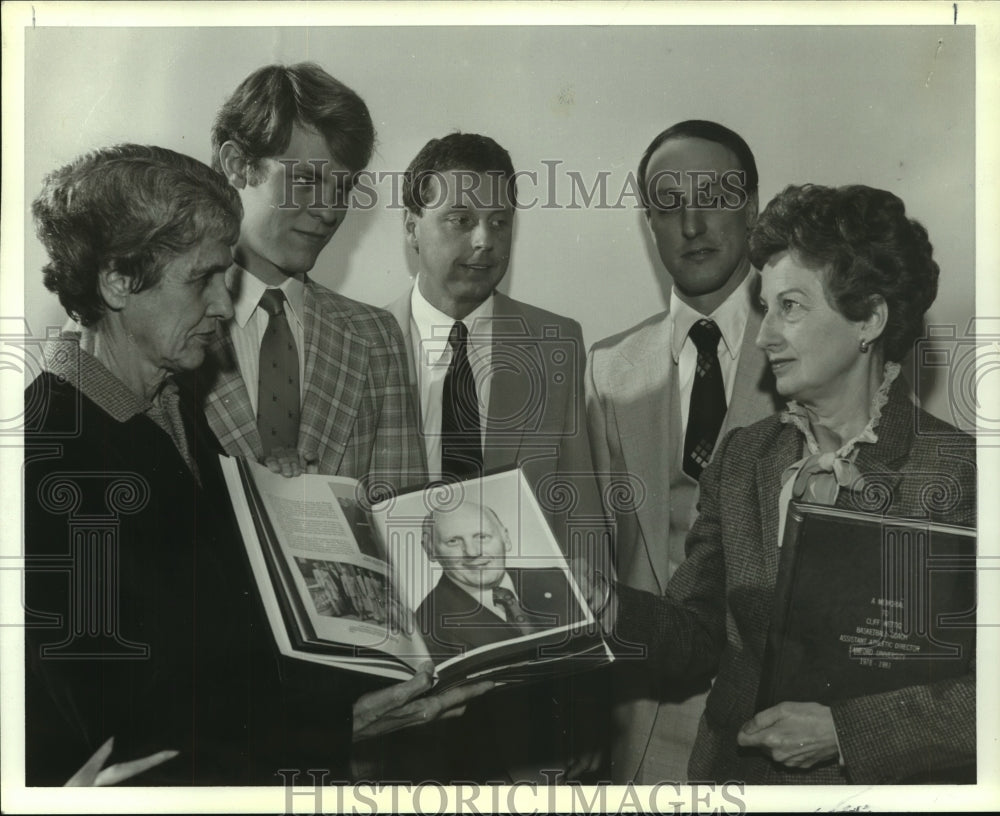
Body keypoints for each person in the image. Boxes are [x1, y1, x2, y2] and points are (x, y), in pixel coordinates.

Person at [23, 144, 491, 786]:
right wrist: (335, 727)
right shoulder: (47, 457)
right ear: (117, 281)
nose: (223, 305)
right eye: (203, 278)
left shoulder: (166, 409)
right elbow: (126, 733)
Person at [610, 183, 976, 784]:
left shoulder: (964, 475)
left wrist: (846, 733)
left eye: (791, 308)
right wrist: (604, 605)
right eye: (765, 307)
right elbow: (698, 635)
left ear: (869, 319)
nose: (763, 337)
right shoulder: (746, 457)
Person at [382, 132, 609, 782]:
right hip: (403, 684)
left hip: (527, 691)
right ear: (412, 227)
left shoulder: (554, 343)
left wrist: (584, 700)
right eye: (460, 220)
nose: (485, 241)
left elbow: (583, 525)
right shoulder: (359, 343)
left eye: (500, 222)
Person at [586, 120, 780, 782]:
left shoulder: (811, 358)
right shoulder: (608, 370)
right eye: (668, 205)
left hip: (767, 737)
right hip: (637, 735)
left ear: (753, 206)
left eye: (715, 196)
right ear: (649, 225)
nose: (691, 222)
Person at [198, 62, 424, 494]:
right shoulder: (166, 322)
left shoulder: (376, 339)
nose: (328, 211)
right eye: (305, 180)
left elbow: (404, 524)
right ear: (237, 165)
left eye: (342, 189)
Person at [417, 502, 581, 659]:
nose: (473, 552)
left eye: (482, 536)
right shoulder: (425, 625)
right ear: (430, 551)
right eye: (453, 541)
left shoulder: (560, 579)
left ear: (506, 539)